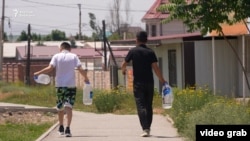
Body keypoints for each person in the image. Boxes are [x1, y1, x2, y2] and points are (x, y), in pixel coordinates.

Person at [34, 42, 89, 137]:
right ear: (69, 48)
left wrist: (38, 72)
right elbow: (80, 68)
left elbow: (50, 68)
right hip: (70, 86)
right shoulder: (74, 56)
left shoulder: (56, 56)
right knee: (69, 107)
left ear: (61, 48)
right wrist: (86, 78)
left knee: (60, 107)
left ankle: (60, 126)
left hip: (59, 86)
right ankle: (68, 129)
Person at [121, 31, 166, 137]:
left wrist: (123, 71)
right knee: (148, 105)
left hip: (138, 83)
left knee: (140, 105)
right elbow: (156, 68)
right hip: (149, 82)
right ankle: (148, 128)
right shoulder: (150, 52)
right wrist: (162, 80)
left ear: (136, 39)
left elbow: (124, 63)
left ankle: (145, 128)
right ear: (146, 40)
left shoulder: (133, 51)